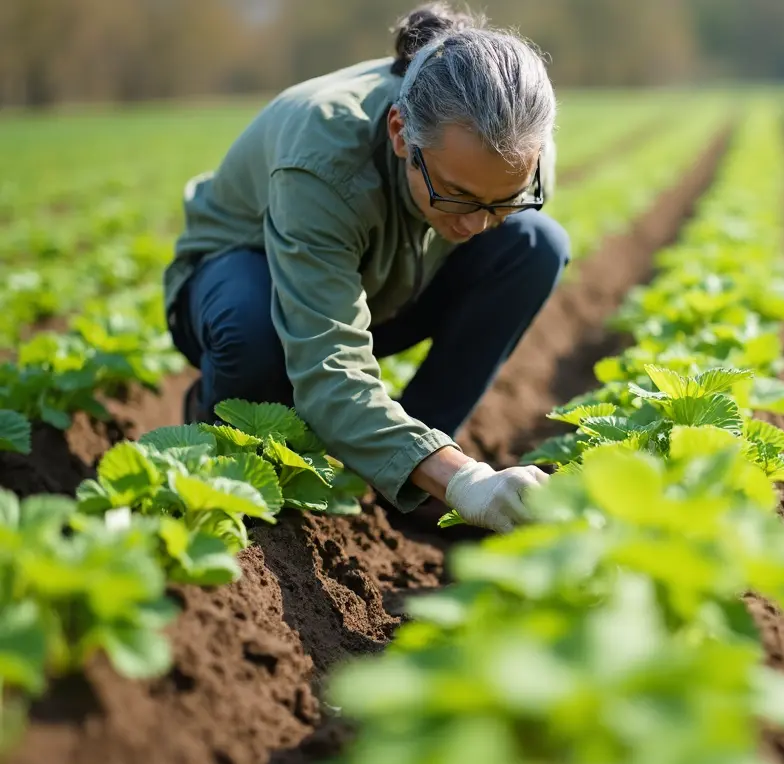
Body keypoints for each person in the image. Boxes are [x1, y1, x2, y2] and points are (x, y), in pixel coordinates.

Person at [163, 3, 568, 534]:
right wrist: (468, 478)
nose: (476, 224)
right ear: (401, 134)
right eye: (457, 195)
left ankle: (415, 470)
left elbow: (492, 211)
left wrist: (447, 471)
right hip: (243, 278)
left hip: (380, 284)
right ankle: (222, 420)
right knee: (251, 333)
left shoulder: (518, 142)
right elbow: (329, 363)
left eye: (503, 200)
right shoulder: (323, 158)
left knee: (535, 245)